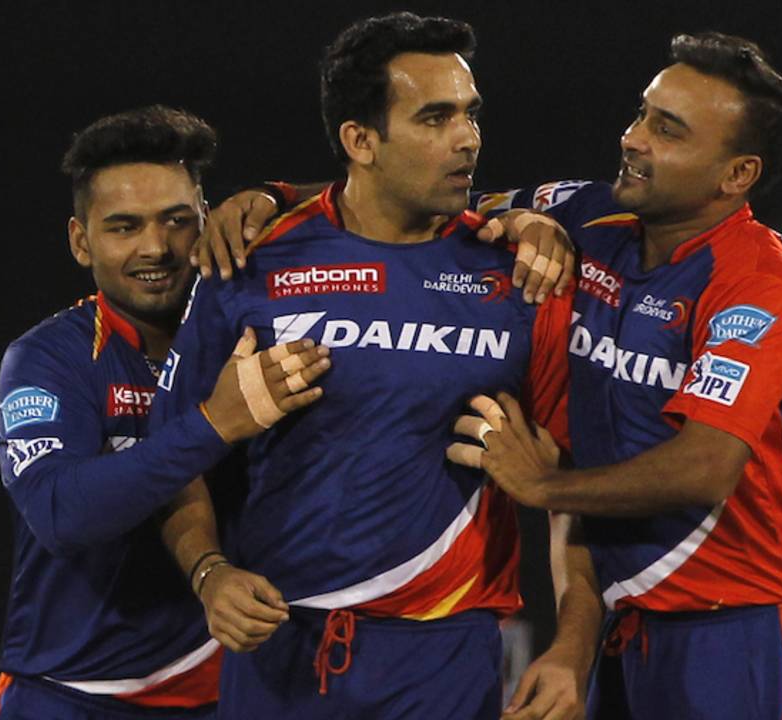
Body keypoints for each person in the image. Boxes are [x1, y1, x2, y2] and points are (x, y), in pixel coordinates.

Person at [150, 13, 574, 720]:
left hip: (444, 658)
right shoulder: (252, 259)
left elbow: (574, 487)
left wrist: (571, 647)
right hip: (279, 651)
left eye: (471, 114)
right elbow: (172, 454)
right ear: (360, 139)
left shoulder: (520, 276)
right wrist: (209, 572)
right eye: (435, 118)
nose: (467, 138)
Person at [449, 32, 782, 720]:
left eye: (668, 129)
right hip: (630, 622)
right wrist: (273, 198)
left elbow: (705, 466)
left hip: (741, 625)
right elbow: (436, 204)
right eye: (642, 114)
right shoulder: (595, 218)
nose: (633, 138)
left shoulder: (758, 281)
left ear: (736, 175)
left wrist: (542, 484)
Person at [0, 105, 330, 719]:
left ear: (207, 219)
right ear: (79, 240)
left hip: (229, 695)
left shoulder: (248, 332)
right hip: (69, 697)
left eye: (177, 221)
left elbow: (376, 196)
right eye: (124, 227)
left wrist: (270, 195)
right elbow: (60, 512)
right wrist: (216, 424)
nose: (156, 247)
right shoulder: (47, 359)